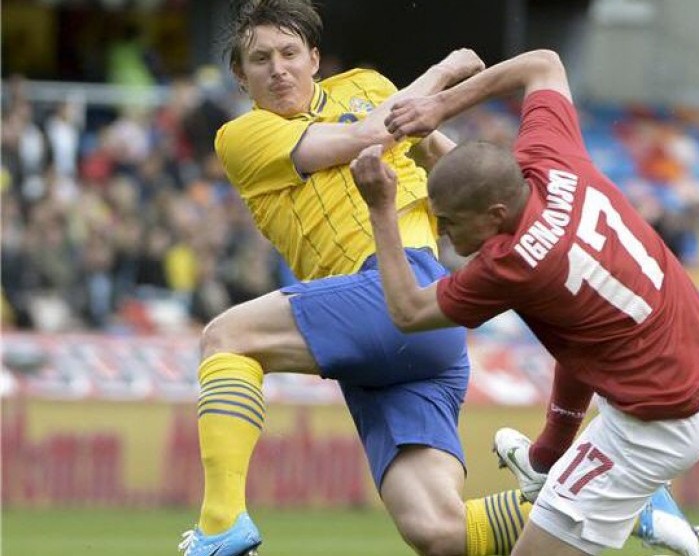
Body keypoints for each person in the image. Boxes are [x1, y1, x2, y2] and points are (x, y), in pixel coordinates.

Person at [178, 2, 536, 555]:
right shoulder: (243, 136)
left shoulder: (369, 84)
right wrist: (443, 74)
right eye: (260, 59)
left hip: (409, 289)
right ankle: (606, 492)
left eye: (289, 53)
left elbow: (450, 167)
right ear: (240, 77)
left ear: (314, 58)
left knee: (225, 338)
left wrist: (460, 158)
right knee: (438, 532)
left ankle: (221, 524)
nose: (278, 68)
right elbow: (368, 135)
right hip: (377, 332)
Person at [349, 48, 699, 556]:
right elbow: (546, 64)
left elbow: (407, 311)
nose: (442, 234)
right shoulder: (551, 161)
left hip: (656, 425)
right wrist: (438, 112)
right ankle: (560, 466)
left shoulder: (512, 265)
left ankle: (637, 495)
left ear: (493, 216)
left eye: (450, 223)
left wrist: (381, 207)